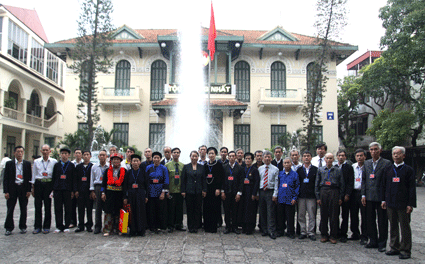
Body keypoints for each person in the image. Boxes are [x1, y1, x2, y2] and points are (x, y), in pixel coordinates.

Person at [382, 146, 416, 260]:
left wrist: (410, 204)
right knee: (393, 226)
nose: (396, 155)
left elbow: (412, 188)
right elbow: (384, 186)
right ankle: (394, 247)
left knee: (405, 227)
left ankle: (405, 249)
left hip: (403, 204)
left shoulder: (408, 170)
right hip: (390, 202)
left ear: (404, 156)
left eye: (398, 153)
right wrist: (384, 200)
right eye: (394, 154)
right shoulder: (388, 169)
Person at [362, 142, 391, 252]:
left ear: (380, 150)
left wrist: (385, 198)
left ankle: (382, 242)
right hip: (369, 196)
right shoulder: (367, 163)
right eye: (372, 149)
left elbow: (387, 182)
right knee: (370, 219)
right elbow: (364, 180)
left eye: (376, 149)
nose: (373, 151)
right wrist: (363, 194)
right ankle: (372, 240)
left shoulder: (386, 163)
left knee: (382, 220)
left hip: (381, 197)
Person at [315, 153, 344, 244]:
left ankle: (333, 235)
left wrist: (340, 197)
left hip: (334, 191)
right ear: (325, 159)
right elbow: (317, 183)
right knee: (323, 214)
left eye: (331, 158)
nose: (329, 160)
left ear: (333, 159)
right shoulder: (320, 170)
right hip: (323, 191)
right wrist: (318, 197)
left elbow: (342, 184)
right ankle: (324, 234)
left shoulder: (338, 170)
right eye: (327, 158)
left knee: (334, 215)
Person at [3, 146, 32, 236]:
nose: (19, 153)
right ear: (14, 153)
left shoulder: (27, 164)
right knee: (10, 208)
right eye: (18, 151)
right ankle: (9, 228)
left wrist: (29, 190)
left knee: (23, 208)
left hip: (23, 188)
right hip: (12, 188)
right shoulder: (9, 164)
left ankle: (23, 226)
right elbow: (5, 179)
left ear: (23, 153)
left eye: (21, 152)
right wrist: (6, 191)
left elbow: (29, 178)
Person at [31, 144, 57, 234]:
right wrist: (33, 188)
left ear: (50, 151)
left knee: (48, 206)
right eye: (43, 150)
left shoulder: (54, 162)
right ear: (41, 151)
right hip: (39, 183)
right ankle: (37, 226)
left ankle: (46, 226)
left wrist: (53, 188)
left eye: (47, 150)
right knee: (38, 206)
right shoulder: (36, 162)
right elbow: (34, 175)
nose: (45, 152)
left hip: (49, 184)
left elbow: (55, 176)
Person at [273, 157, 300, 239]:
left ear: (291, 164)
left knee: (290, 217)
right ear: (283, 164)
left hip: (290, 199)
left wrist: (294, 198)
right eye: (285, 163)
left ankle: (290, 232)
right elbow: (277, 185)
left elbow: (297, 186)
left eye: (288, 163)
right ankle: (280, 231)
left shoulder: (295, 174)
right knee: (280, 216)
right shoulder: (280, 174)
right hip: (281, 199)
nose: (287, 164)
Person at [123, 154, 149, 237]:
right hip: (131, 195)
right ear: (131, 162)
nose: (135, 162)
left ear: (140, 162)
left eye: (137, 161)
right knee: (132, 212)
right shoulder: (128, 173)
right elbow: (125, 186)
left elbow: (147, 185)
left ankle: (141, 230)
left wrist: (146, 196)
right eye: (134, 161)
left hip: (140, 195)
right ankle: (133, 230)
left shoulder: (143, 172)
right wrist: (125, 197)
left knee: (141, 212)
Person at [181, 151, 206, 233]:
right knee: (190, 209)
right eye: (192, 156)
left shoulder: (201, 167)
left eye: (196, 156)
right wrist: (183, 190)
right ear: (190, 157)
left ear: (198, 157)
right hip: (189, 191)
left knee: (197, 209)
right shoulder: (186, 167)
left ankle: (196, 226)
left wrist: (204, 190)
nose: (194, 158)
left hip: (198, 191)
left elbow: (203, 180)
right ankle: (190, 226)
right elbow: (183, 180)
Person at [101, 153, 126, 236]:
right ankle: (107, 229)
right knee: (108, 212)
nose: (115, 161)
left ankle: (120, 229)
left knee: (119, 212)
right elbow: (103, 183)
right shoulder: (107, 171)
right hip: (109, 194)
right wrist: (103, 193)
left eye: (117, 159)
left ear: (120, 161)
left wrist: (125, 196)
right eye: (114, 159)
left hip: (119, 194)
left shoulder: (124, 171)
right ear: (111, 161)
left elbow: (125, 185)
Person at [52, 147, 76, 233]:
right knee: (58, 208)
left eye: (66, 154)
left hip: (68, 190)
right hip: (58, 189)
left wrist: (73, 190)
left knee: (68, 208)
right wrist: (53, 189)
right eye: (62, 153)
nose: (64, 155)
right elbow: (54, 177)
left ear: (69, 155)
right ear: (60, 155)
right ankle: (59, 226)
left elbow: (74, 179)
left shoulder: (71, 165)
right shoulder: (56, 165)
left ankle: (66, 225)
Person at [296, 151, 318, 241]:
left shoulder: (315, 170)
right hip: (301, 196)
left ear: (311, 158)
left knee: (312, 215)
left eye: (308, 156)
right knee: (301, 215)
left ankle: (311, 232)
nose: (306, 158)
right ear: (302, 158)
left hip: (311, 196)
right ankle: (303, 231)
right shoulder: (299, 170)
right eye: (304, 156)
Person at [146, 151, 169, 233]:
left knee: (160, 210)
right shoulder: (149, 168)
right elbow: (146, 180)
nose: (156, 159)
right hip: (151, 191)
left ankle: (160, 226)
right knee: (151, 210)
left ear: (160, 159)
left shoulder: (163, 168)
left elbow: (166, 181)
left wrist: (163, 192)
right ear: (152, 158)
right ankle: (152, 226)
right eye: (154, 157)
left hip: (160, 191)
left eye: (158, 158)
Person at [258, 150, 279, 239]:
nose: (267, 158)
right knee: (262, 211)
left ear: (271, 158)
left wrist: (275, 194)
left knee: (270, 212)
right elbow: (258, 181)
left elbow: (276, 182)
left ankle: (271, 230)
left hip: (270, 191)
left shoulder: (275, 169)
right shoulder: (260, 169)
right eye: (265, 157)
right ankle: (264, 230)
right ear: (263, 158)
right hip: (262, 191)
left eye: (268, 157)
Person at [221, 151, 243, 234]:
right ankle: (227, 227)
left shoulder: (240, 168)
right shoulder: (224, 167)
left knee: (235, 211)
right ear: (228, 157)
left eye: (233, 156)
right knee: (226, 211)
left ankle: (234, 227)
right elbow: (222, 180)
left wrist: (239, 193)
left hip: (235, 193)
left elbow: (241, 182)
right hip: (226, 193)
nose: (231, 158)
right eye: (230, 156)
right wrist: (222, 192)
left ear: (236, 157)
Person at [203, 147, 224, 233]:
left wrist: (218, 188)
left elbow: (221, 178)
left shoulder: (219, 165)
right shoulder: (205, 165)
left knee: (215, 207)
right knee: (206, 208)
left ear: (215, 155)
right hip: (207, 190)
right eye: (209, 153)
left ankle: (214, 227)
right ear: (207, 154)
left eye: (212, 153)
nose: (211, 155)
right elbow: (203, 178)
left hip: (215, 190)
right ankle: (206, 226)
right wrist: (204, 189)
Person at [238, 152, 259, 235]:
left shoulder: (254, 170)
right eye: (246, 159)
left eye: (249, 159)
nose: (247, 160)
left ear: (252, 160)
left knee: (251, 210)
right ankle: (244, 226)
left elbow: (257, 182)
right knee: (244, 209)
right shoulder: (243, 169)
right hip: (244, 192)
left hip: (251, 193)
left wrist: (254, 194)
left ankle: (250, 227)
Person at [165, 147, 185, 232]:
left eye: (177, 152)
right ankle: (170, 225)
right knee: (171, 209)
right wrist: (167, 191)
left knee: (180, 209)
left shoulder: (183, 166)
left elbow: (184, 179)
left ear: (180, 154)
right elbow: (166, 179)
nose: (176, 154)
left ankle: (179, 224)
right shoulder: (167, 165)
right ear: (171, 154)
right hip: (171, 191)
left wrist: (184, 190)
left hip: (180, 191)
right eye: (174, 152)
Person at [336, 150, 354, 243]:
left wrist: (347, 194)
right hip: (335, 195)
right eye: (339, 155)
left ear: (345, 157)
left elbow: (351, 182)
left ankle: (344, 233)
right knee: (335, 215)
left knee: (345, 215)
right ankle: (336, 232)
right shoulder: (334, 167)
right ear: (337, 157)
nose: (341, 157)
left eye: (343, 155)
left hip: (345, 195)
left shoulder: (349, 168)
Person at [350, 149, 368, 245]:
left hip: (363, 193)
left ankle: (364, 235)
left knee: (364, 215)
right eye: (357, 156)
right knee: (353, 214)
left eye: (361, 155)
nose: (359, 157)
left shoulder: (368, 166)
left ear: (365, 156)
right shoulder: (352, 167)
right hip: (354, 193)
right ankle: (355, 233)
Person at [90, 149, 109, 234]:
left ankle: (107, 226)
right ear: (98, 156)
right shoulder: (94, 166)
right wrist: (92, 190)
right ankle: (97, 226)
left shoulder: (109, 167)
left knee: (106, 207)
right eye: (100, 155)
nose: (102, 156)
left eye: (103, 155)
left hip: (106, 187)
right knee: (98, 207)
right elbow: (91, 179)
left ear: (106, 156)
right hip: (97, 186)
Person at [74, 150, 94, 232]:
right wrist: (75, 190)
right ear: (82, 156)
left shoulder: (93, 166)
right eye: (84, 155)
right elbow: (75, 179)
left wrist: (92, 191)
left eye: (87, 154)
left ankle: (89, 225)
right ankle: (80, 225)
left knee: (89, 209)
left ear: (90, 156)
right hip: (80, 191)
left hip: (89, 191)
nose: (86, 156)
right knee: (80, 209)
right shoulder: (78, 167)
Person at [70, 148, 83, 228]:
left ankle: (81, 223)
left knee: (81, 206)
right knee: (72, 205)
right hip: (72, 187)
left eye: (79, 153)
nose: (78, 154)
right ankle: (72, 221)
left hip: (81, 187)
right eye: (76, 153)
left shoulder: (85, 164)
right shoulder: (71, 164)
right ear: (74, 154)